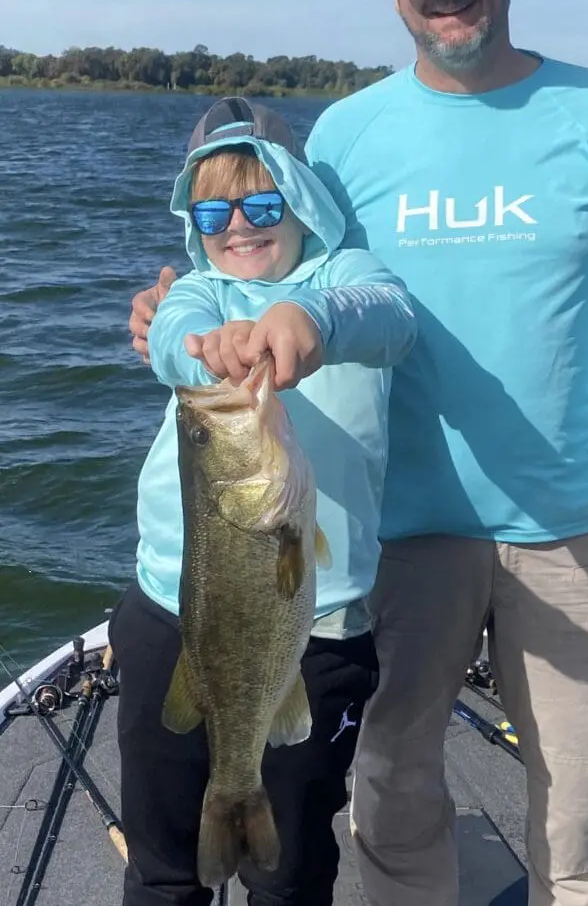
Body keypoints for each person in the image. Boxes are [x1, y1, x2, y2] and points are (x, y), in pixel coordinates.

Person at [128, 0, 588, 906]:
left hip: (564, 522)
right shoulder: (347, 133)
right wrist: (184, 311)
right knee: (393, 800)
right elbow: (284, 268)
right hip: (393, 533)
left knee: (575, 813)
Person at [112, 95, 417, 906]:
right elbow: (175, 332)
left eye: (263, 201)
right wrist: (203, 348)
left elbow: (389, 318)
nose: (237, 224)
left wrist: (306, 315)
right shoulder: (199, 291)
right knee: (162, 859)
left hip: (316, 630)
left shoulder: (351, 277)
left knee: (289, 872)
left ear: (301, 197)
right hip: (169, 609)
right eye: (212, 208)